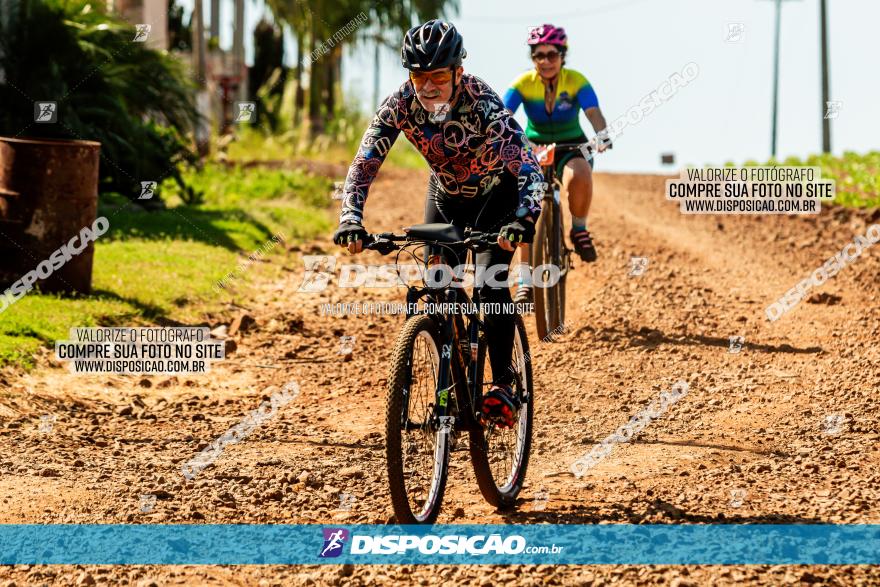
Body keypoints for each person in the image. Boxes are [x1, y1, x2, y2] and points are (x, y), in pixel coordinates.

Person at [332, 20, 545, 428]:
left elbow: (527, 165)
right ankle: (454, 356)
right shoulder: (400, 105)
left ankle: (503, 383)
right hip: (446, 197)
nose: (427, 87)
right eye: (418, 77)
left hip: (496, 196)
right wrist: (351, 218)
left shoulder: (482, 102)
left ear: (457, 73)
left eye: (438, 77)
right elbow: (364, 164)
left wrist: (524, 217)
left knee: (488, 281)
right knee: (437, 285)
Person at [503, 24, 612, 303]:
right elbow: (502, 115)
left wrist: (602, 134)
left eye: (552, 54)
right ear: (532, 58)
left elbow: (593, 111)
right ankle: (526, 280)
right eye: (538, 55)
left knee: (580, 174)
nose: (546, 61)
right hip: (534, 146)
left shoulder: (575, 80)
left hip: (570, 144)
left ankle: (579, 228)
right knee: (525, 209)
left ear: (562, 55)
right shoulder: (522, 84)